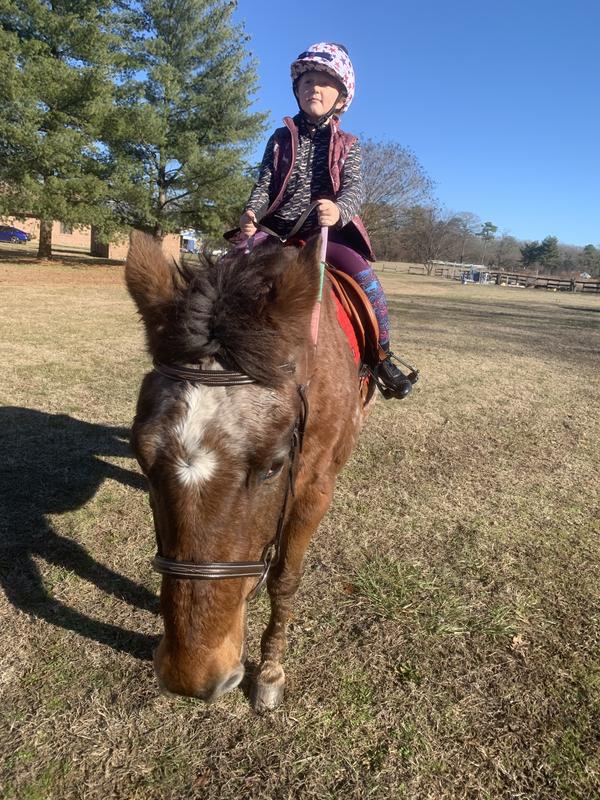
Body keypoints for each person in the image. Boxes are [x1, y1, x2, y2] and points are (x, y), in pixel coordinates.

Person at [238, 42, 415, 399]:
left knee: (367, 282)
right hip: (276, 229)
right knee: (227, 269)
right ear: (296, 91)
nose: (312, 88)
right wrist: (252, 213)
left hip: (325, 234)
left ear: (341, 97)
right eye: (306, 82)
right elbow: (265, 183)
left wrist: (337, 210)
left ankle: (382, 356)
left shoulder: (349, 143)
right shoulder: (279, 138)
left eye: (322, 82)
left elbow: (355, 190)